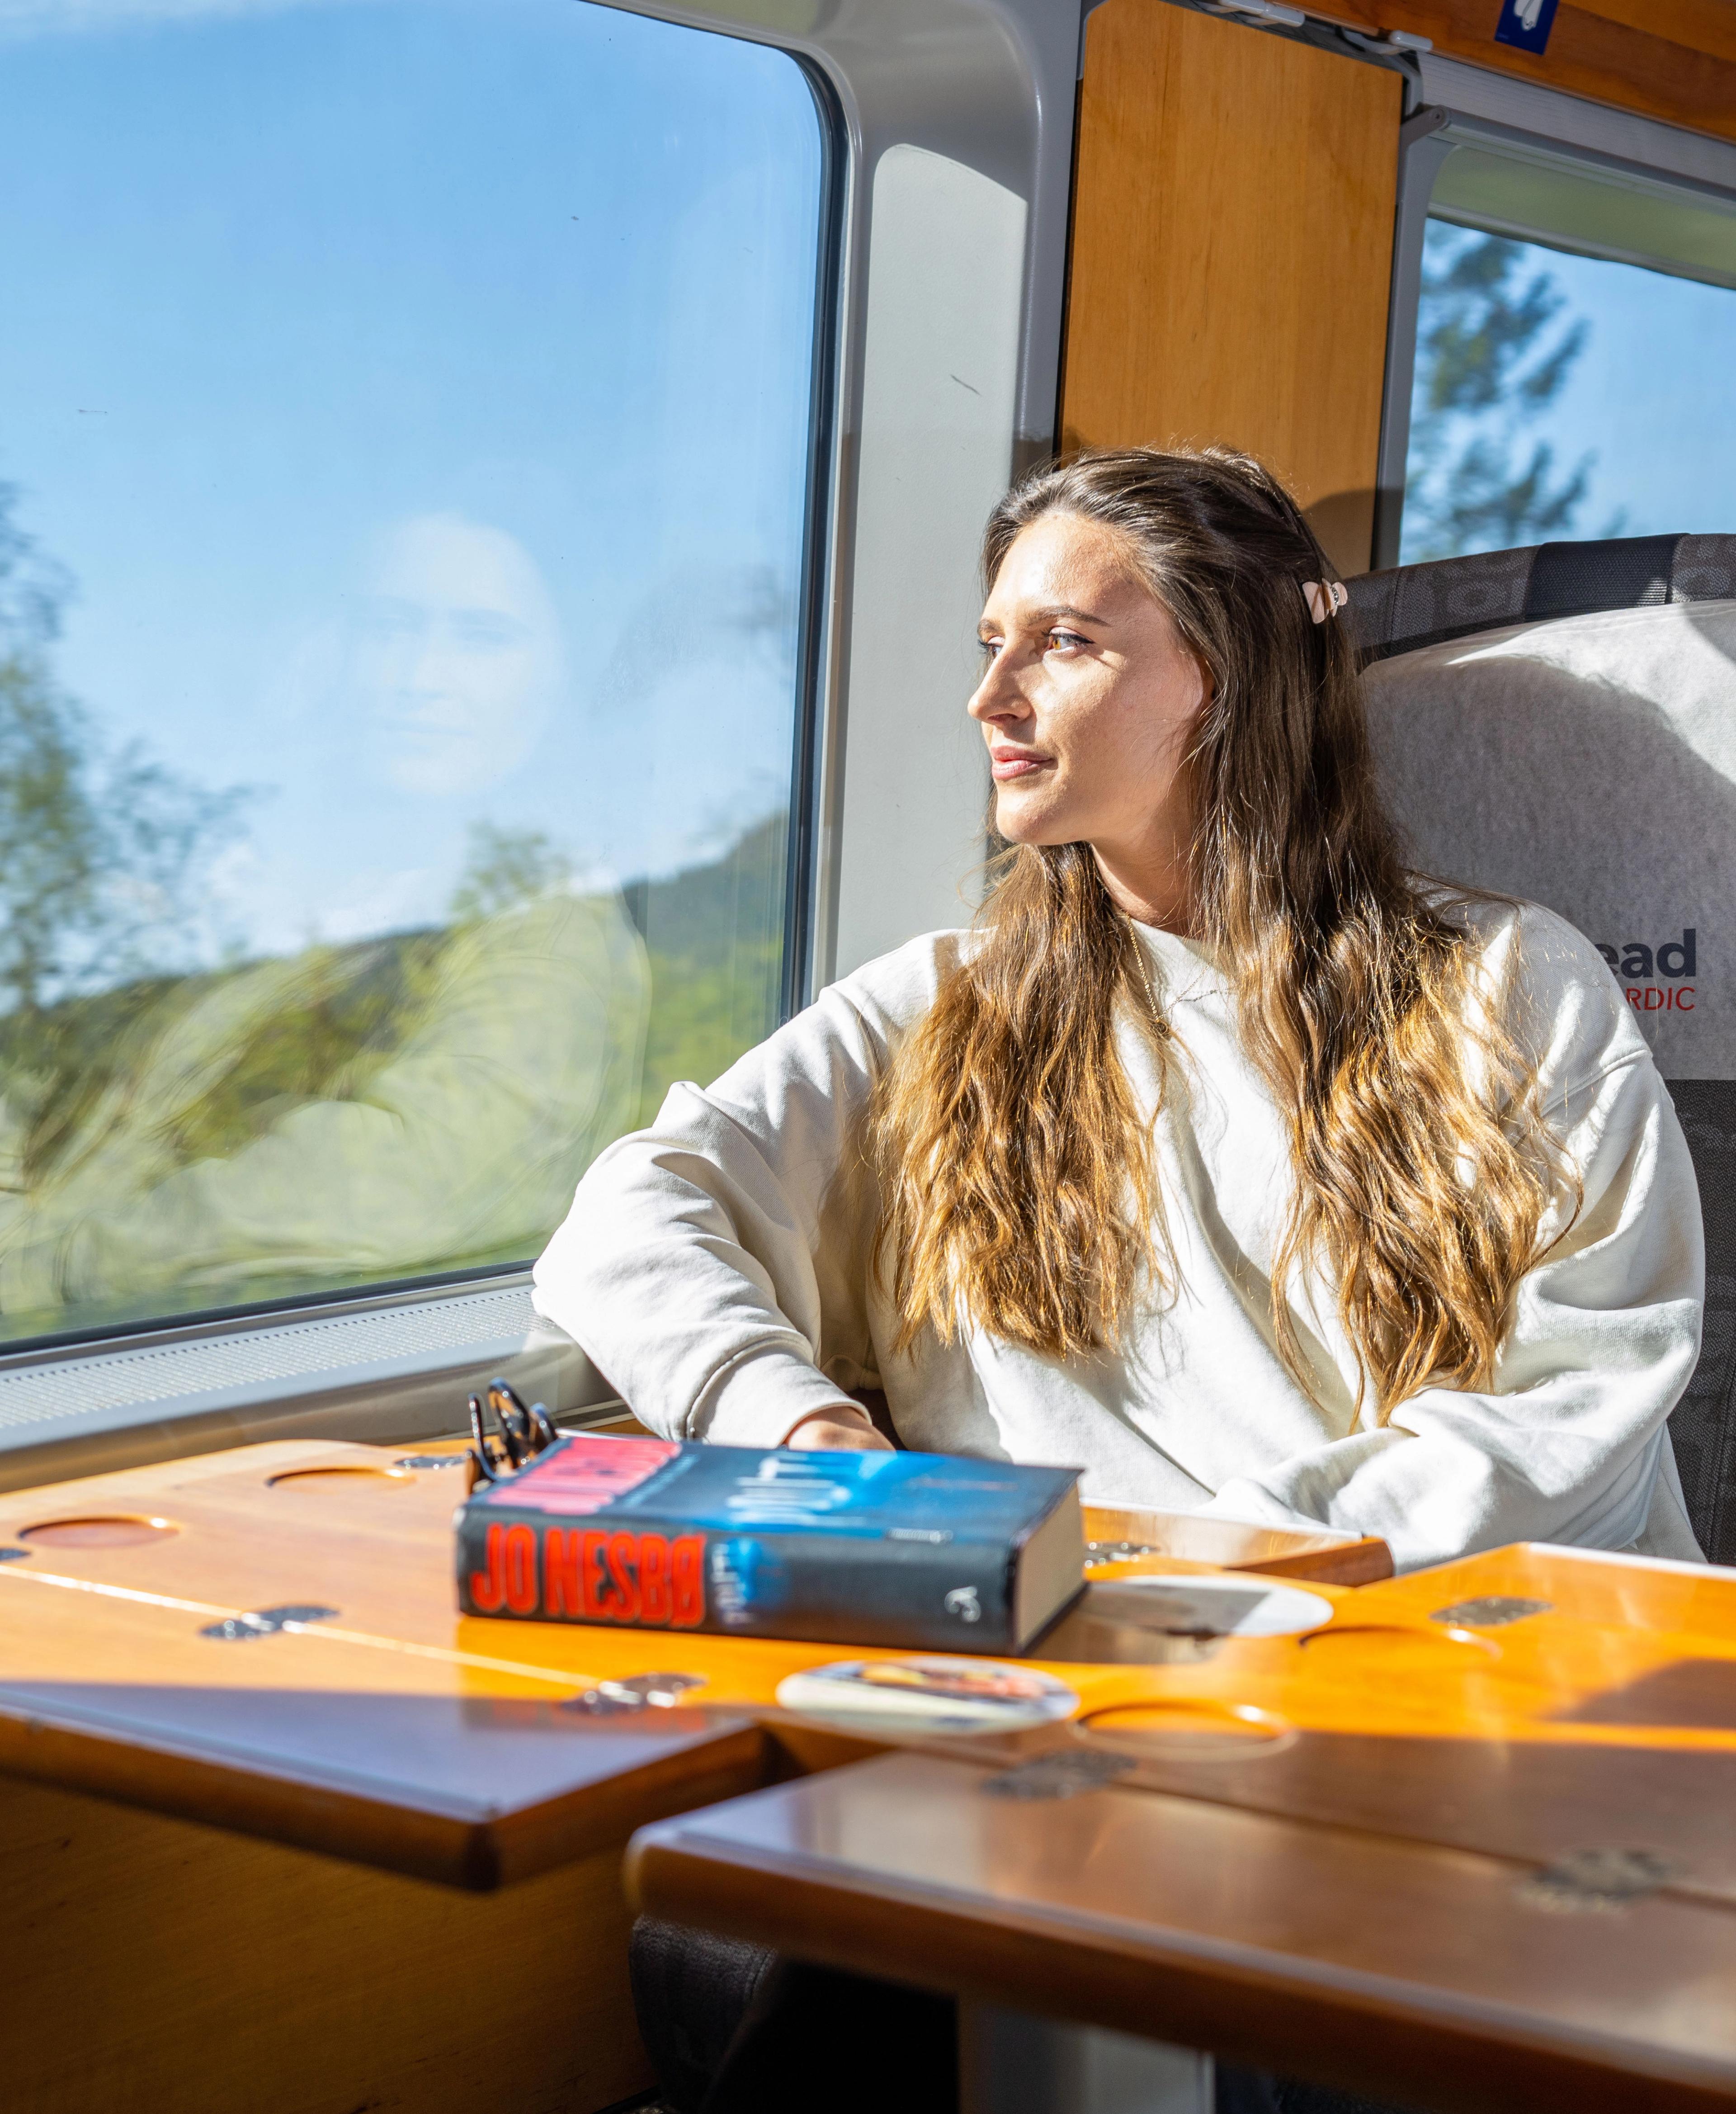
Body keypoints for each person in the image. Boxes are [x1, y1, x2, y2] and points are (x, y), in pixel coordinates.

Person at [536, 444, 1704, 1574]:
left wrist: (1212, 1563)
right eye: (994, 643)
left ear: (1229, 674)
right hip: (1058, 1646)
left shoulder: (1507, 986)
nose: (990, 695)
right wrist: (806, 1437)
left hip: (1429, 1647)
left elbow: (1580, 1414)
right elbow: (632, 1219)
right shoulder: (943, 1005)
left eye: (1063, 642)